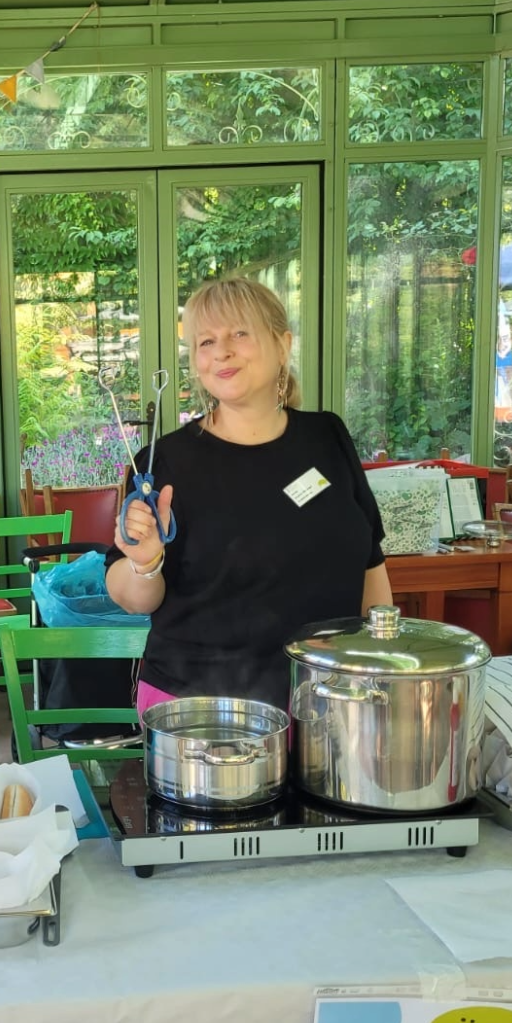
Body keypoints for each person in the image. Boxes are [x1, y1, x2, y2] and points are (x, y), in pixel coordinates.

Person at [106, 277, 392, 715]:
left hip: (332, 697)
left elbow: (371, 562)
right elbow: (130, 598)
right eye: (206, 341)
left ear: (283, 345)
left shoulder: (328, 436)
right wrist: (145, 564)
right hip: (203, 711)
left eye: (239, 333)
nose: (221, 351)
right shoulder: (164, 463)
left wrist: (381, 670)